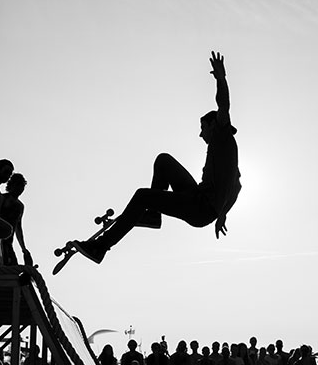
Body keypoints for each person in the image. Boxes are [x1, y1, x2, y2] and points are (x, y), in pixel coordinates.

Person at [72, 51, 242, 264]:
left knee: (142, 196)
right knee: (163, 160)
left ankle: (100, 248)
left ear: (212, 125)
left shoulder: (221, 134)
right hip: (199, 198)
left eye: (202, 128)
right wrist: (223, 214)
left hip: (200, 208)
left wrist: (220, 79)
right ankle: (153, 214)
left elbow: (223, 106)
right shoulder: (227, 152)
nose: (200, 134)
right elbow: (237, 188)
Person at [0, 173, 33, 265]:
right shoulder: (2, 198)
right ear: (11, 185)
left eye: (22, 186)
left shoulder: (20, 206)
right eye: (18, 185)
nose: (20, 189)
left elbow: (18, 228)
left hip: (8, 242)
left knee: (13, 266)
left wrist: (23, 248)